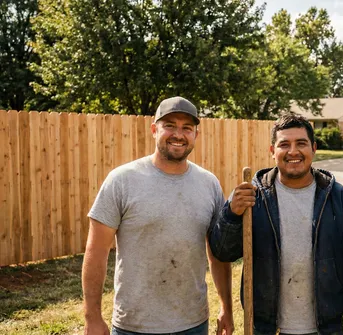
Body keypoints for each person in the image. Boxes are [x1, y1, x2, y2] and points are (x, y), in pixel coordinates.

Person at [82, 97, 233, 335]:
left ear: (196, 135)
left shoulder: (209, 184)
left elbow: (217, 253)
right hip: (134, 325)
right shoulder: (122, 180)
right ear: (154, 130)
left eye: (187, 128)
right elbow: (96, 252)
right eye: (170, 125)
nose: (178, 134)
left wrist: (227, 307)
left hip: (193, 323)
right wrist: (92, 318)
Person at [208, 113, 343, 335]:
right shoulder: (252, 197)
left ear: (313, 148)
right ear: (272, 151)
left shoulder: (340, 199)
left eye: (301, 143)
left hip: (326, 328)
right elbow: (222, 251)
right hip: (266, 327)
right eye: (284, 144)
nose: (293, 151)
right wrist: (232, 214)